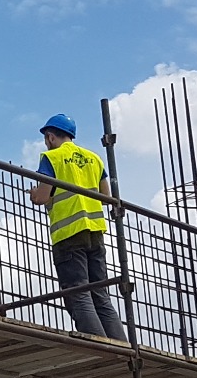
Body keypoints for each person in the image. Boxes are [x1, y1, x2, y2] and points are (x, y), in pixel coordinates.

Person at [29, 113, 126, 340]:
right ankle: (122, 346)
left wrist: (35, 195)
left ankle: (101, 346)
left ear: (51, 137)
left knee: (78, 293)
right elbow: (105, 197)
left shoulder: (51, 157)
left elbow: (43, 197)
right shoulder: (94, 159)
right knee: (100, 294)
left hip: (68, 234)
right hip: (95, 231)